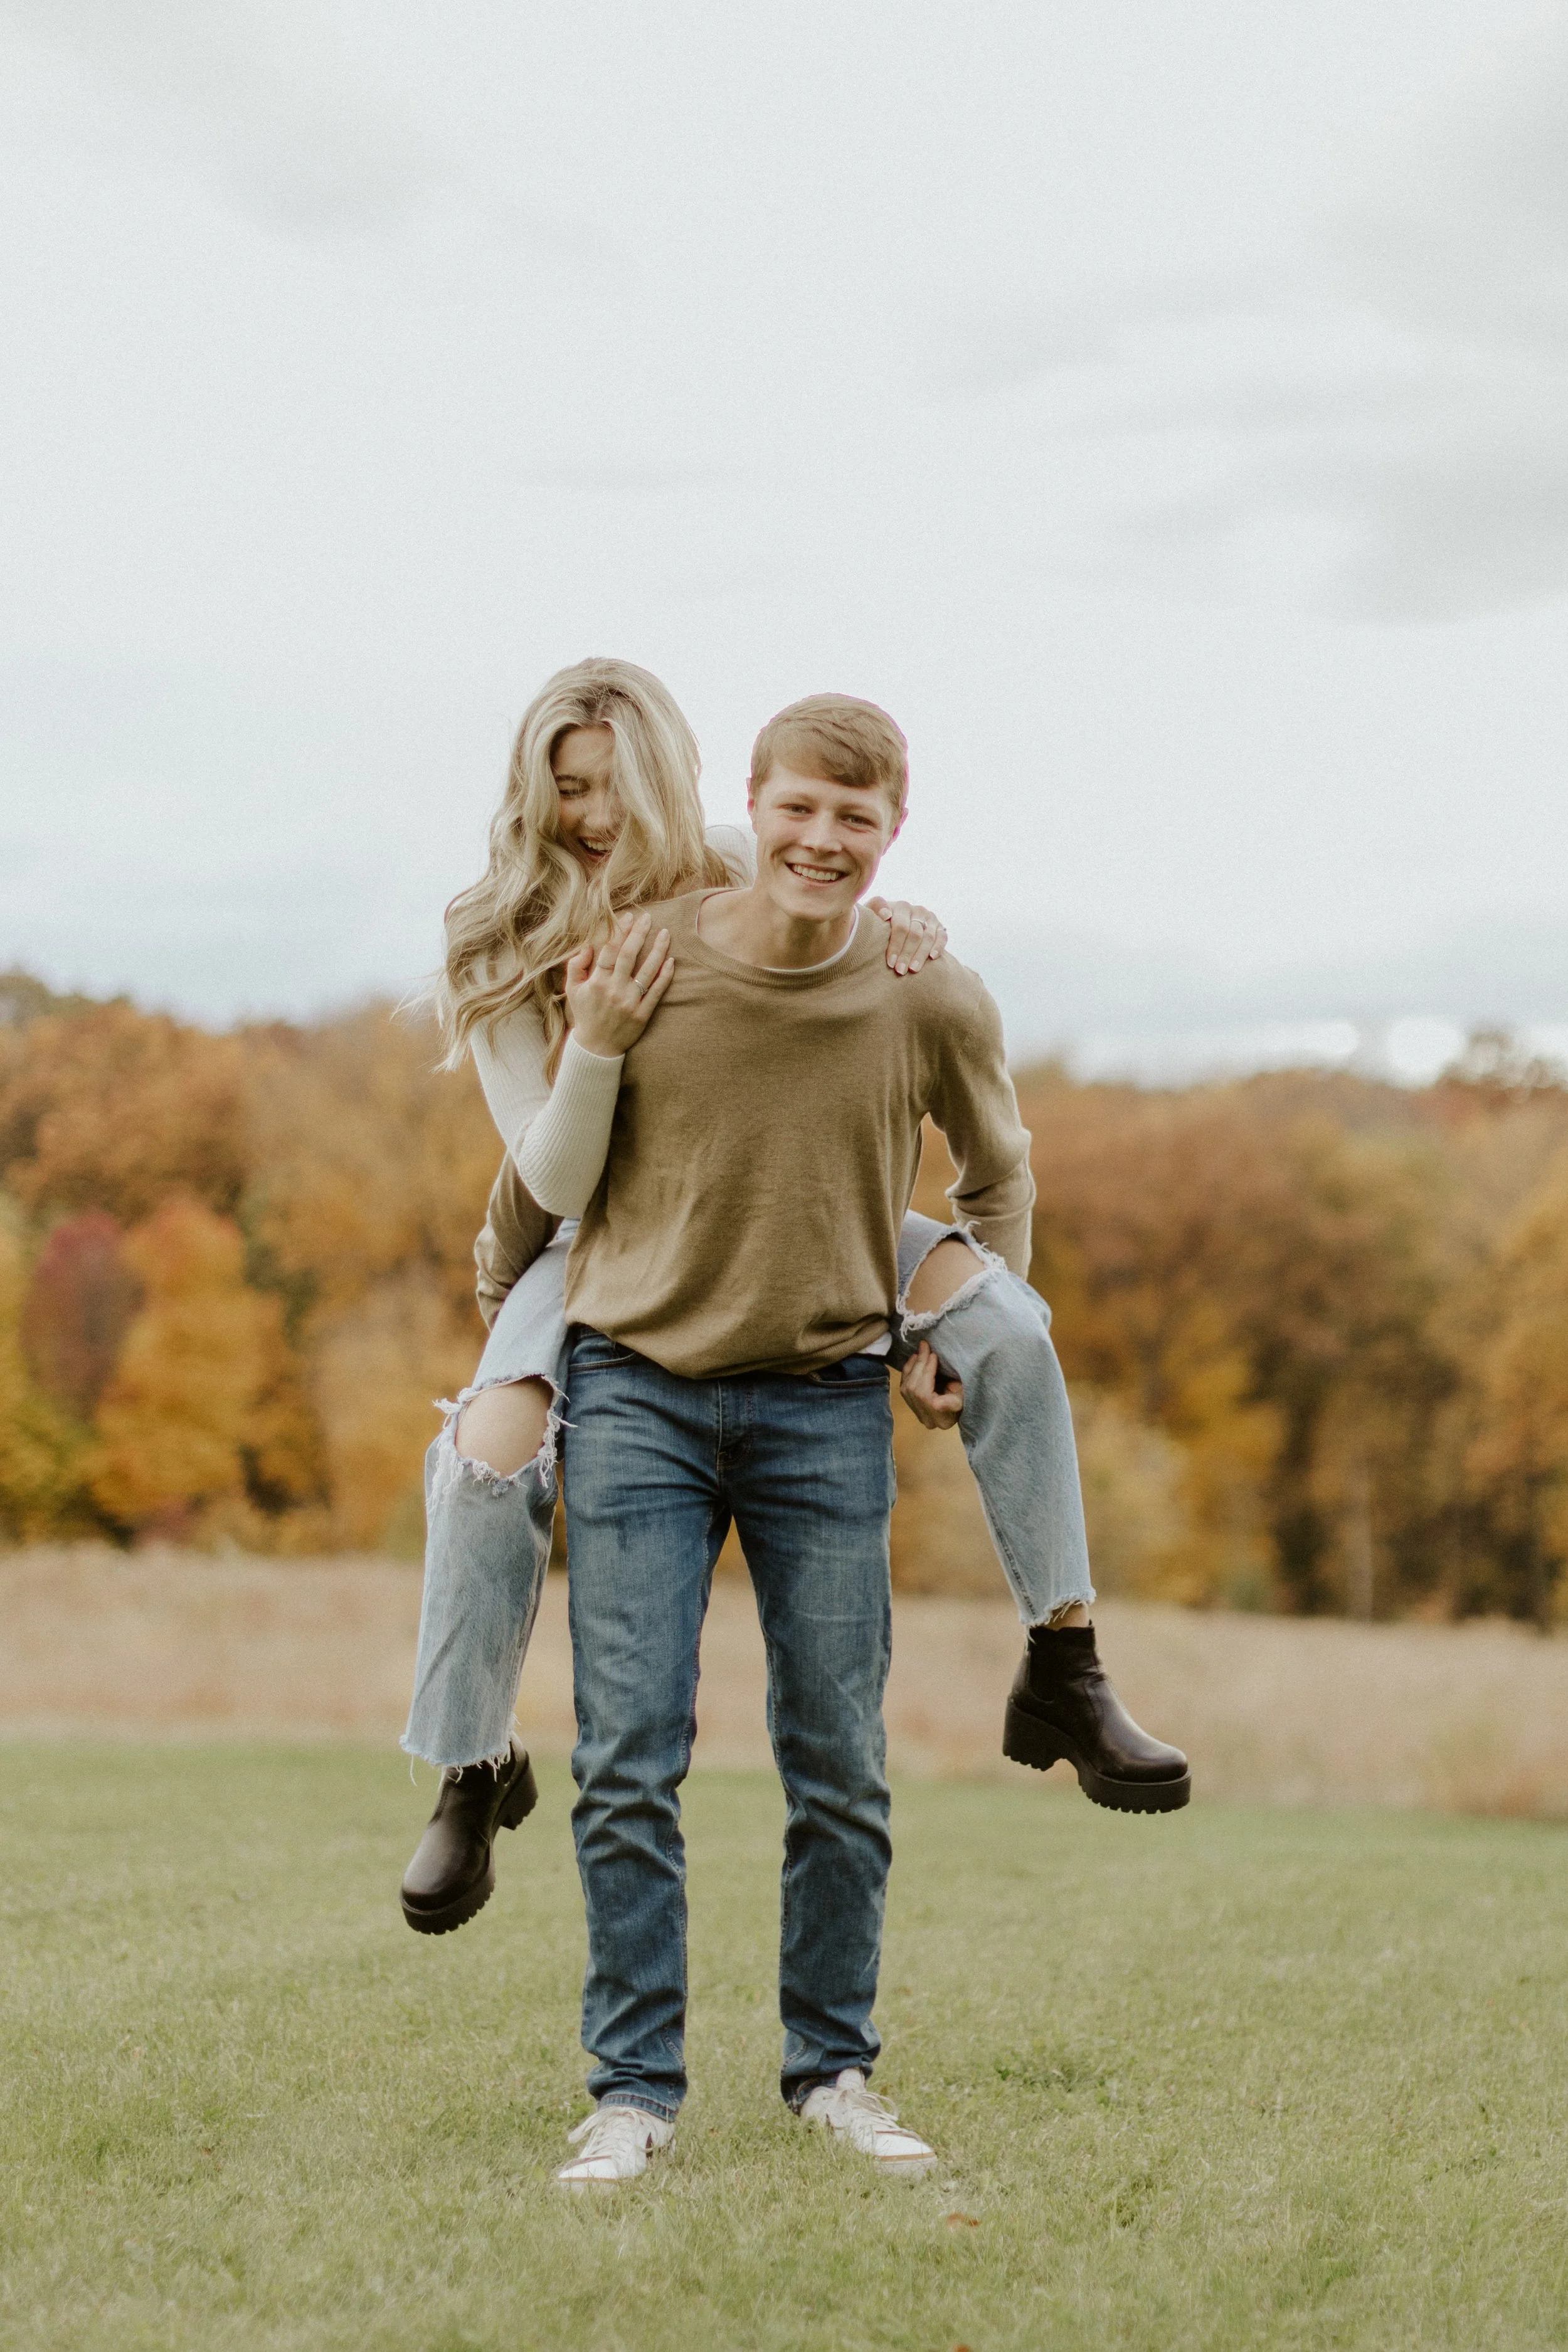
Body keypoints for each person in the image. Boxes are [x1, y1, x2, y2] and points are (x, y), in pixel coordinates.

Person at [399, 659, 1187, 1942]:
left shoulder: (723, 857)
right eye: (566, 794)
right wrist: (595, 1032)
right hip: (607, 1237)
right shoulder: (496, 933)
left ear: (674, 778)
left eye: (616, 785)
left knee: (1007, 1329)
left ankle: (1064, 1666)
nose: (593, 818)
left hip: (797, 1207)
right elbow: (544, 1174)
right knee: (484, 1458)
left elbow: (833, 898)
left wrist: (907, 928)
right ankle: (470, 1764)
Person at [548, 692, 1181, 2188]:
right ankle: (631, 2091)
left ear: (893, 833)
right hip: (637, 1390)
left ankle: (831, 2072)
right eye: (797, 809)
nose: (821, 841)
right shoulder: (651, 956)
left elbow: (999, 1171)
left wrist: (951, 1337)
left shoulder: (926, 989)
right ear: (748, 808)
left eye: (856, 818)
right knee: (626, 1756)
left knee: (836, 1763)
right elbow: (556, 1144)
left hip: (824, 1398)